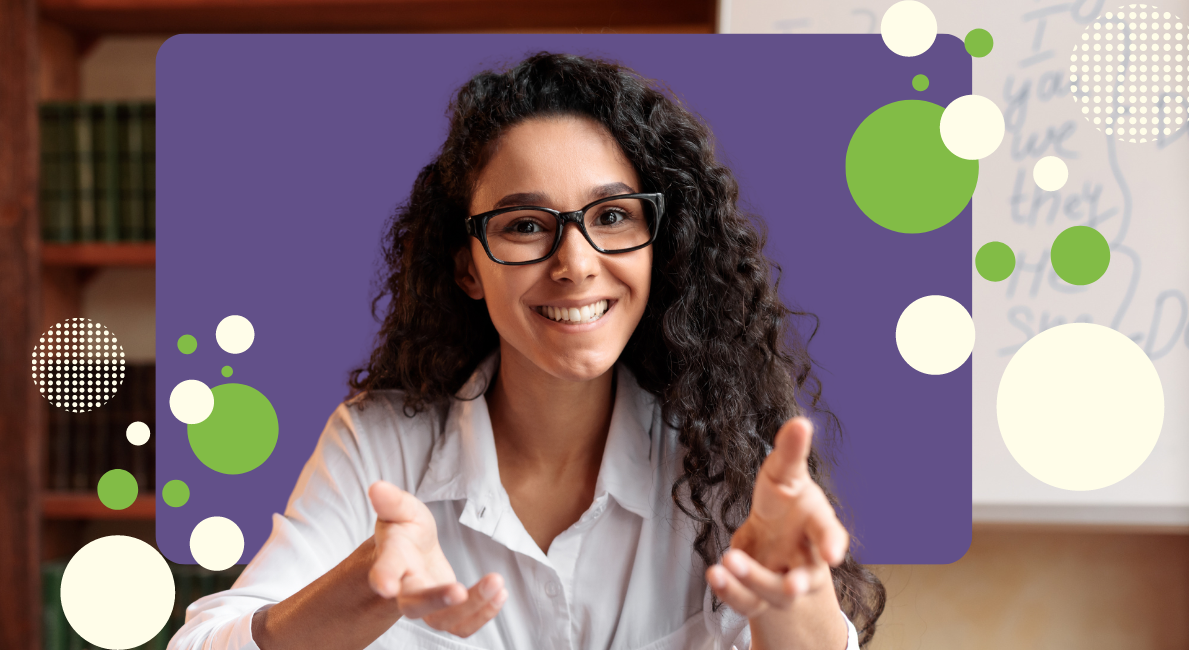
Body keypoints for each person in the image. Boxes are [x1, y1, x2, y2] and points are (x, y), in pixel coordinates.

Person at [168, 50, 885, 650]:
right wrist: (357, 591)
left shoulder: (723, 458)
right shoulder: (378, 447)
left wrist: (797, 596)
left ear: (659, 250)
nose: (575, 263)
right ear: (466, 266)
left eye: (611, 216)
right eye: (524, 226)